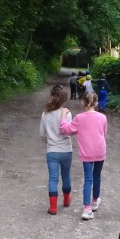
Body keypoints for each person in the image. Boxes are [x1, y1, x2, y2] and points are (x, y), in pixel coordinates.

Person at [59, 91, 107, 220]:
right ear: (96, 103)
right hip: (100, 150)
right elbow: (104, 133)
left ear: (82, 103)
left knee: (88, 179)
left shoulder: (79, 118)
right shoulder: (102, 117)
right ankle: (95, 201)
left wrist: (63, 116)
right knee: (97, 176)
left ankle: (87, 209)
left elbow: (65, 130)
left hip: (87, 152)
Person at [39, 84, 73, 215]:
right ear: (64, 99)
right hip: (66, 150)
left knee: (53, 178)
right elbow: (69, 131)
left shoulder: (45, 114)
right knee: (66, 175)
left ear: (51, 96)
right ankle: (66, 200)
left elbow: (42, 134)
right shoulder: (67, 114)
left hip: (52, 150)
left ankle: (53, 207)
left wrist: (49, 142)